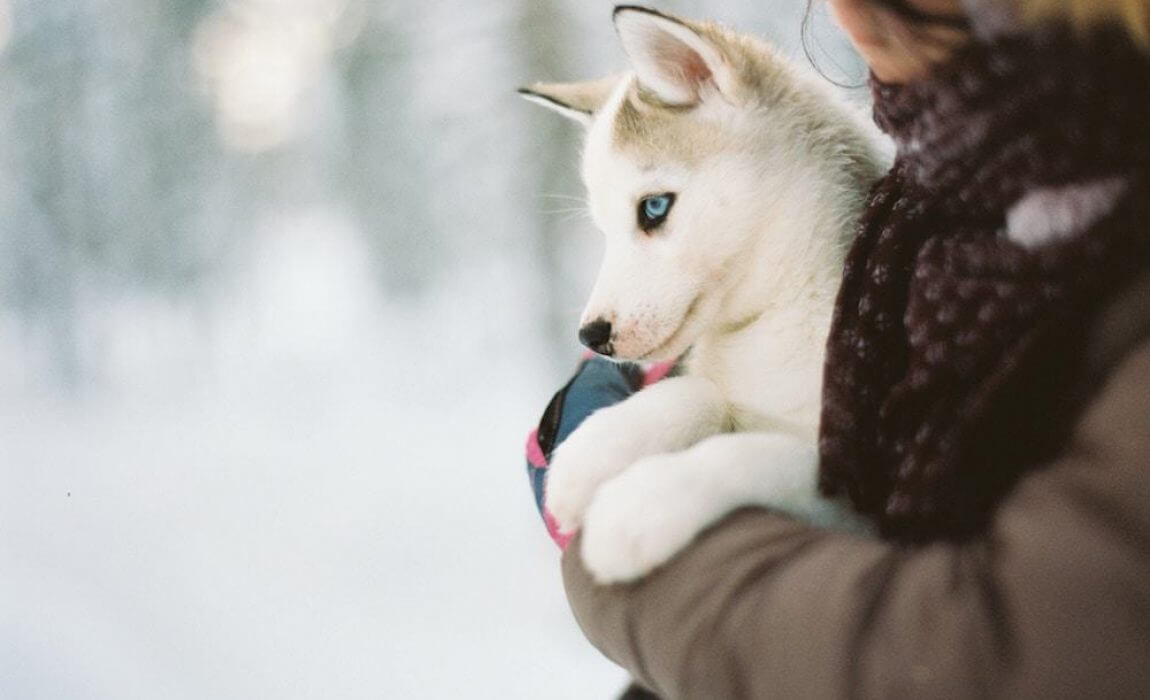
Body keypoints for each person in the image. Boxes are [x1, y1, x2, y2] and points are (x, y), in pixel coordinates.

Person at [527, 0, 1150, 697]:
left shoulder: (1010, 257)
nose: (845, 17)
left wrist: (666, 535)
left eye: (653, 211)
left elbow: (983, 643)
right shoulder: (926, 209)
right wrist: (677, 412)